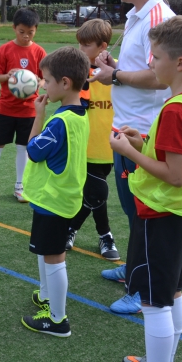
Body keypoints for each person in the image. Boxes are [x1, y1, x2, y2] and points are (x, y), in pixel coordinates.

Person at [110, 16, 182, 362]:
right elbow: (177, 159)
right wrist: (142, 144)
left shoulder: (175, 111)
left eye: (155, 57)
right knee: (173, 293)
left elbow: (175, 175)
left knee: (153, 304)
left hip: (161, 215)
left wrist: (128, 153)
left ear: (180, 62)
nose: (149, 62)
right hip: (181, 215)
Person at [91, 0, 175, 314]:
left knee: (143, 212)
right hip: (125, 130)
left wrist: (117, 75)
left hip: (143, 134)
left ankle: (141, 291)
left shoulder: (158, 17)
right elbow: (140, 67)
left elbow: (160, 77)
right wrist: (117, 66)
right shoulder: (138, 15)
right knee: (132, 210)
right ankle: (133, 269)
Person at [20, 46, 91, 338]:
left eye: (47, 80)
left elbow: (33, 151)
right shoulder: (79, 114)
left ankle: (58, 320)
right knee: (48, 252)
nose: (43, 85)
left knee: (54, 257)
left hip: (54, 200)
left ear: (64, 83)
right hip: (62, 197)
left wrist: (39, 116)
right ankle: (47, 297)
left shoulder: (58, 122)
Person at [0, 8, 46, 203]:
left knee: (23, 147)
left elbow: (44, 79)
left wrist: (35, 84)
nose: (26, 36)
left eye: (30, 32)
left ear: (36, 30)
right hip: (6, 107)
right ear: (14, 28)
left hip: (29, 109)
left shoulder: (39, 52)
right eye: (21, 31)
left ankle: (20, 187)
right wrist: (10, 76)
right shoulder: (5, 50)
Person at [66, 19, 120, 261]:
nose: (80, 50)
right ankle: (104, 235)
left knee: (95, 193)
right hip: (80, 146)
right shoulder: (80, 75)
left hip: (107, 147)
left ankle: (73, 228)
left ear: (103, 46)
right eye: (79, 44)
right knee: (92, 193)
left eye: (86, 45)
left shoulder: (117, 74)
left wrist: (113, 70)